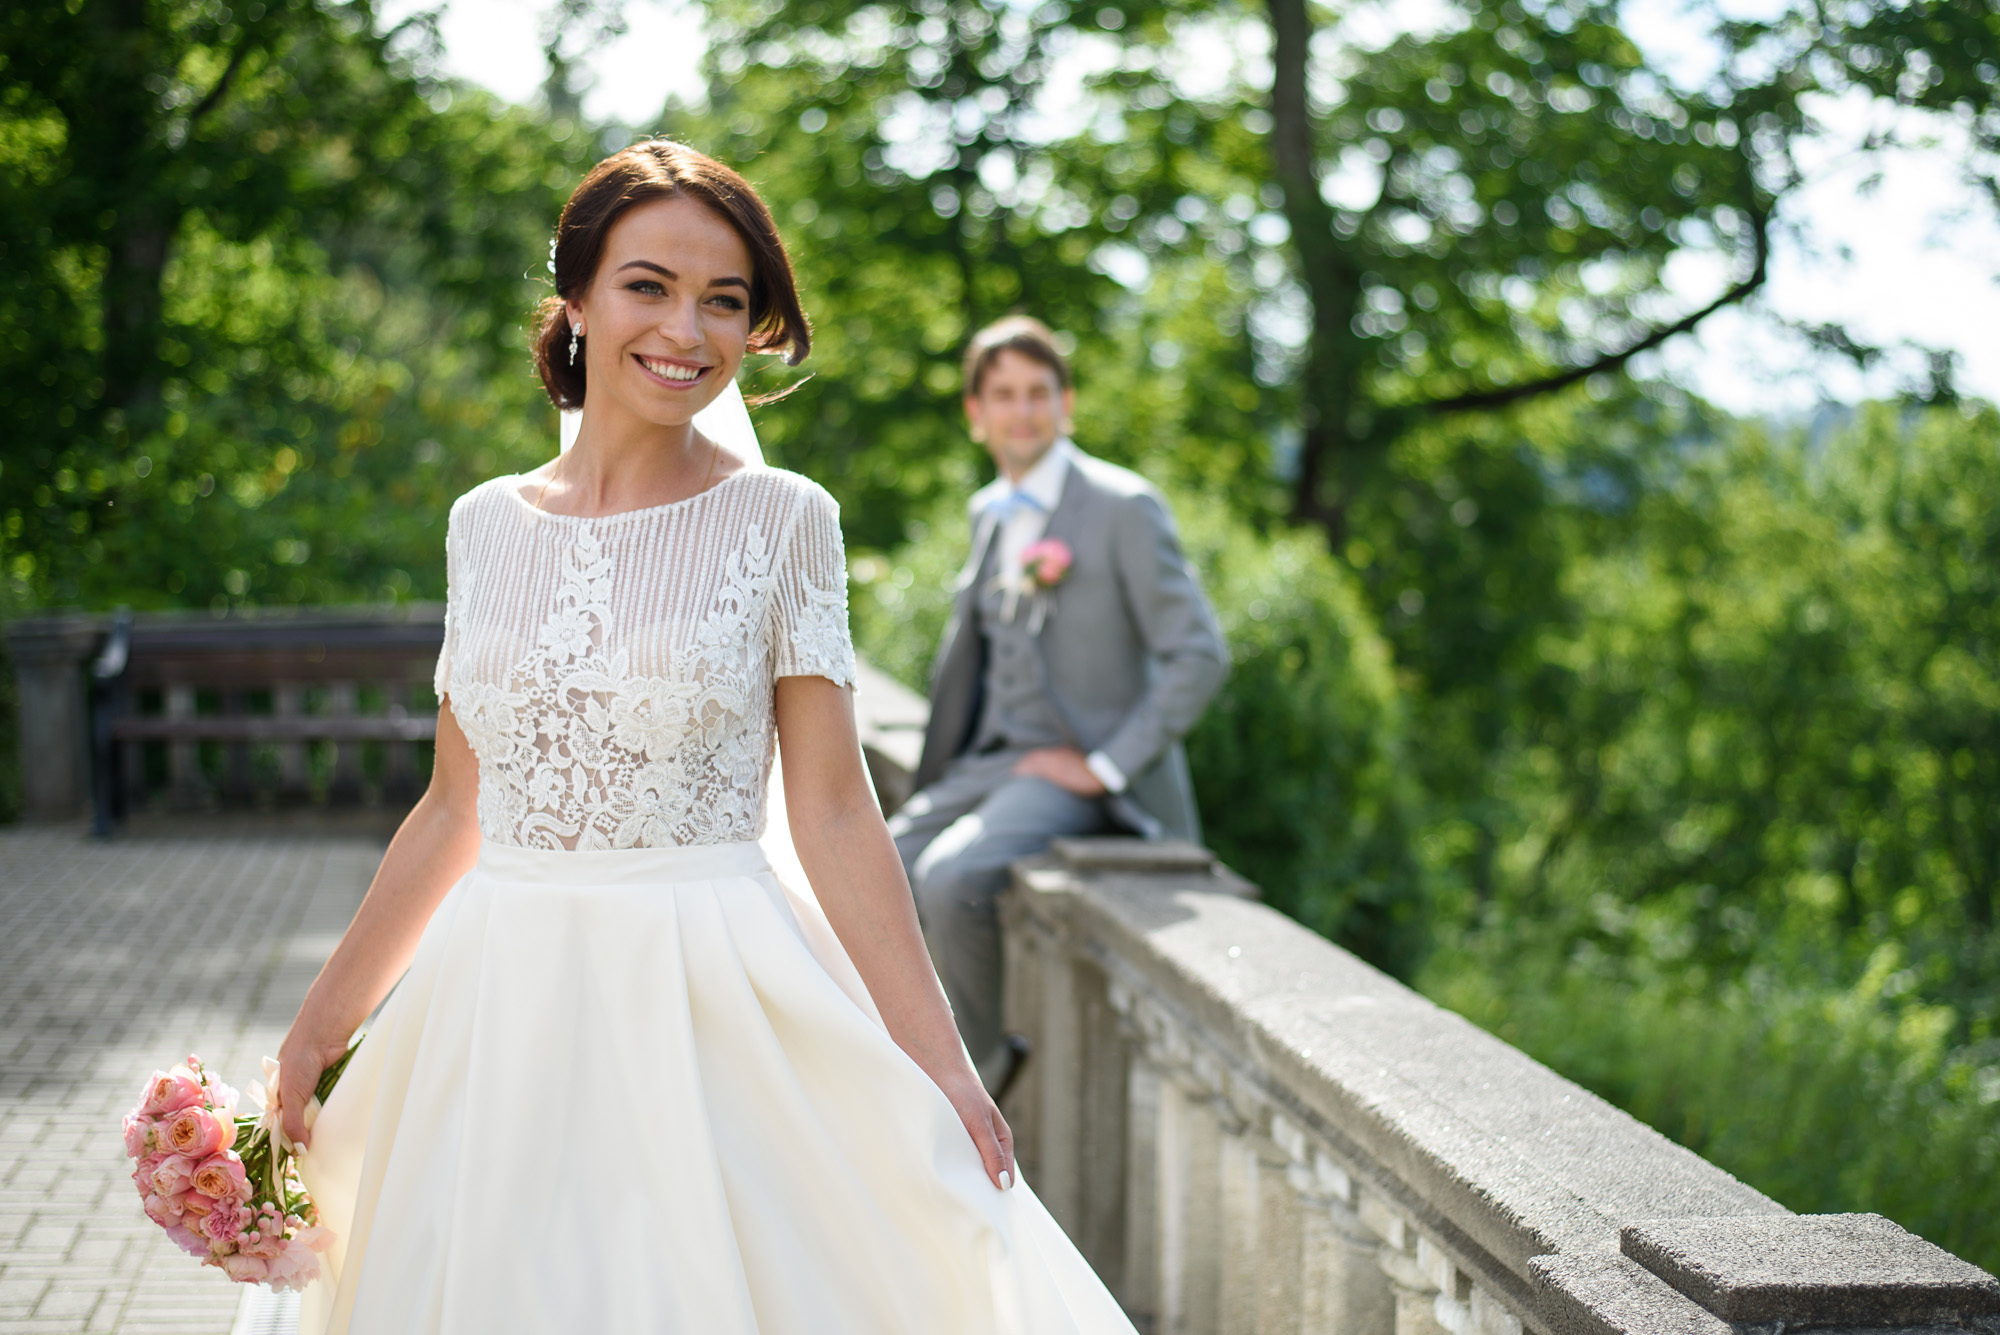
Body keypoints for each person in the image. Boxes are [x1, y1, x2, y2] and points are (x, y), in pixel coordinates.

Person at [271, 140, 1139, 1334]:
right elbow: (453, 809)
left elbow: (833, 813)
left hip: (704, 1000)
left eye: (723, 301)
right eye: (647, 286)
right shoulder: (482, 526)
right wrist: (324, 1023)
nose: (686, 328)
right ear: (574, 301)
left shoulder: (783, 520)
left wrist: (939, 1061)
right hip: (493, 1004)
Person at [889, 317, 1228, 1094]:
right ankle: (902, 1052)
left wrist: (1104, 764)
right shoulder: (988, 512)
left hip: (1077, 769)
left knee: (951, 876)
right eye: (1002, 395)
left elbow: (1200, 656)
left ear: (1065, 404)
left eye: (1038, 393)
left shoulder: (1122, 506)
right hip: (995, 758)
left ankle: (979, 1065)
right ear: (976, 414)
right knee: (879, 863)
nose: (1022, 411)